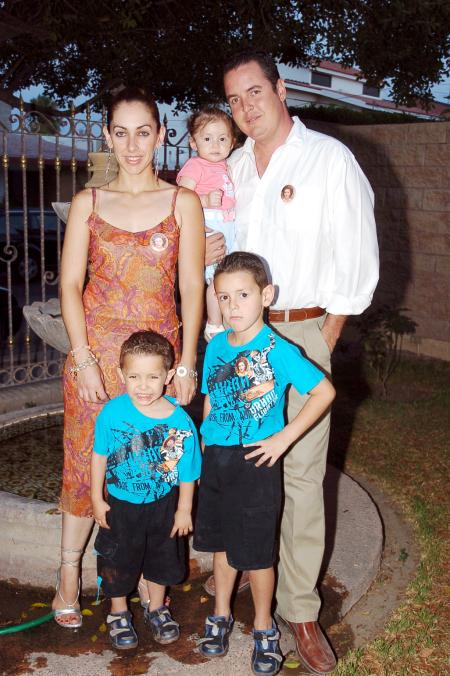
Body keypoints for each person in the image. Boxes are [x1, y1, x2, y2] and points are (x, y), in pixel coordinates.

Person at [204, 51, 379, 674]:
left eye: (255, 92)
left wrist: (322, 340)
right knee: (239, 468)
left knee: (301, 476)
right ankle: (251, 585)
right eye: (234, 99)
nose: (245, 108)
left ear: (280, 90)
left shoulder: (328, 160)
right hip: (234, 339)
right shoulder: (229, 170)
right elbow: (212, 257)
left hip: (302, 334)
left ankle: (300, 613)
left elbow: (355, 261)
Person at [52, 86, 205, 629]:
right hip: (95, 361)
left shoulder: (182, 202)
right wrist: (85, 357)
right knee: (82, 463)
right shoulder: (88, 203)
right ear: (108, 137)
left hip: (157, 367)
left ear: (161, 135)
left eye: (144, 132)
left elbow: (192, 288)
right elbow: (71, 284)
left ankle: (147, 579)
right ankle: (69, 573)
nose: (133, 144)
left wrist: (186, 364)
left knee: (153, 467)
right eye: (122, 132)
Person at [194, 252, 335, 676]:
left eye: (243, 295)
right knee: (220, 547)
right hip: (217, 460)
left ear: (266, 295)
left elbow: (324, 393)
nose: (233, 305)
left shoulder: (279, 349)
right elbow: (210, 399)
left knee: (257, 555)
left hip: (256, 463)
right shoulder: (217, 345)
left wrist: (284, 438)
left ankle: (263, 626)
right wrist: (203, 444)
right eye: (224, 297)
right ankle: (220, 615)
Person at [91, 331, 201, 650]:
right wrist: (97, 498)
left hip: (163, 505)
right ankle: (118, 612)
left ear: (168, 376)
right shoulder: (111, 413)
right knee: (117, 559)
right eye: (134, 376)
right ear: (120, 374)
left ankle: (156, 607)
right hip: (121, 505)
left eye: (152, 377)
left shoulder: (180, 421)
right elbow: (98, 455)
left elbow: (188, 471)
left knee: (162, 558)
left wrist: (183, 509)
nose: (143, 385)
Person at [177, 106, 236, 341]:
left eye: (222, 139)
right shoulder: (195, 165)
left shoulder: (225, 166)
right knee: (216, 279)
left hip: (228, 225)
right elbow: (181, 199)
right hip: (210, 225)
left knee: (229, 277)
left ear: (232, 143)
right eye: (207, 138)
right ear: (193, 142)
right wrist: (204, 200)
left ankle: (228, 320)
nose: (215, 145)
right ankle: (213, 324)